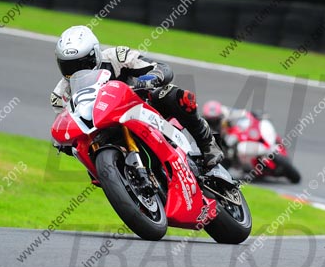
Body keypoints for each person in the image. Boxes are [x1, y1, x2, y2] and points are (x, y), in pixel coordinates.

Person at [51, 25, 223, 168]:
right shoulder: (60, 96)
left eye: (82, 64)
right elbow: (67, 127)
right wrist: (63, 141)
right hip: (101, 133)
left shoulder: (117, 57)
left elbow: (161, 68)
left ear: (95, 54)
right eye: (69, 67)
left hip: (139, 110)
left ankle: (207, 143)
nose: (77, 71)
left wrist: (149, 79)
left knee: (173, 94)